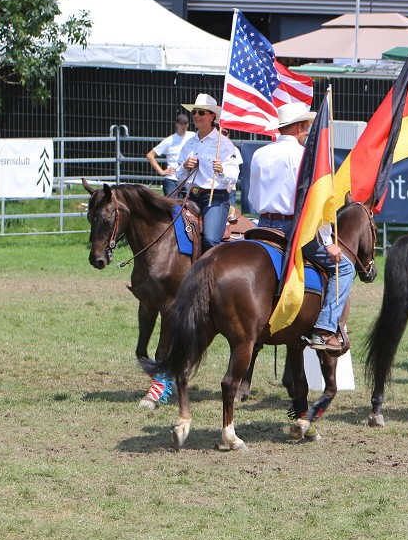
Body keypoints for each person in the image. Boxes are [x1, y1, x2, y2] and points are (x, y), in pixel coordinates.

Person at [248, 101, 354, 352]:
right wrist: (327, 243)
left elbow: (252, 197)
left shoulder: (259, 154)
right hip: (293, 229)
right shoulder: (304, 156)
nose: (307, 131)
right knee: (345, 268)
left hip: (263, 225)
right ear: (297, 127)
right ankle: (325, 329)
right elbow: (318, 204)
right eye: (306, 126)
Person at [178, 93, 242, 251]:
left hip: (215, 197)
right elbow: (179, 176)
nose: (196, 116)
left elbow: (233, 176)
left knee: (210, 239)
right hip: (190, 195)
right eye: (194, 112)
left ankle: (214, 272)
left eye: (201, 112)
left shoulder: (224, 143)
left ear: (212, 116)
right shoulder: (189, 143)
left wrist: (221, 170)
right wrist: (185, 166)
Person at [146, 112, 196, 197]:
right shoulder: (169, 140)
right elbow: (150, 155)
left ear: (188, 124)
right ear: (177, 124)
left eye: (185, 123)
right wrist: (161, 171)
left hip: (187, 180)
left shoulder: (193, 136)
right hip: (172, 180)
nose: (183, 126)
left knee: (187, 208)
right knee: (173, 208)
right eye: (181, 123)